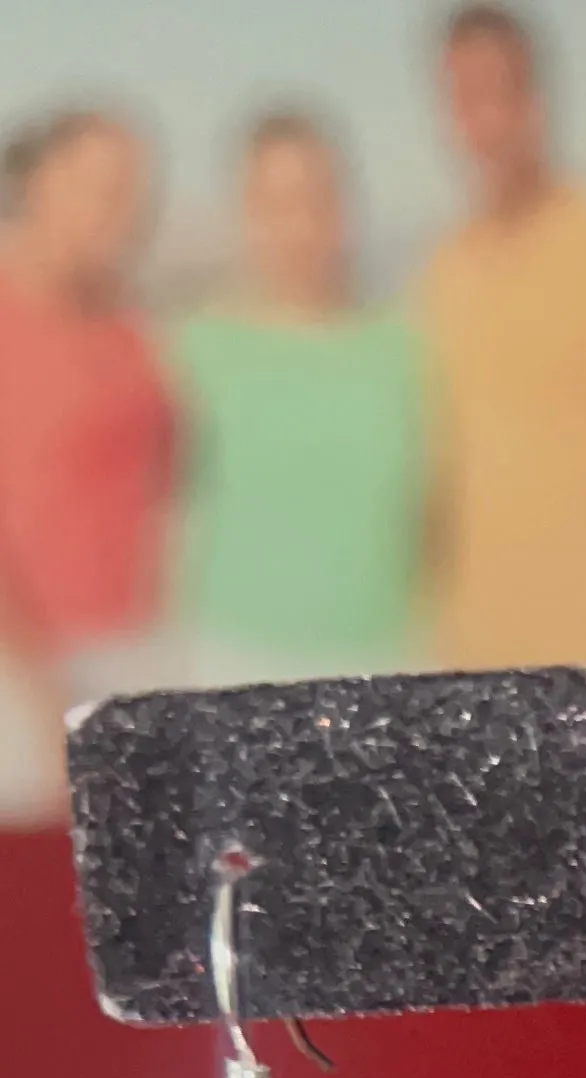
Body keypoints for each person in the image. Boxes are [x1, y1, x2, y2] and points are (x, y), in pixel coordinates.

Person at [422, 4, 586, 669]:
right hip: (470, 660)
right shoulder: (440, 275)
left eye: (498, 94)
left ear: (536, 101)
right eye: (463, 98)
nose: (483, 122)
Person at [172, 115, 426, 686]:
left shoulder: (407, 346)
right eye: (275, 204)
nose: (301, 225)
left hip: (386, 670)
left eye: (318, 198)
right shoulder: (196, 351)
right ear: (245, 214)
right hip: (232, 672)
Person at [0, 111, 176, 821]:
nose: (119, 212)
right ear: (41, 184)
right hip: (23, 676)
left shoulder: (135, 333)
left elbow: (164, 491)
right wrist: (40, 692)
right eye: (97, 186)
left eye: (133, 192)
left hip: (135, 665)